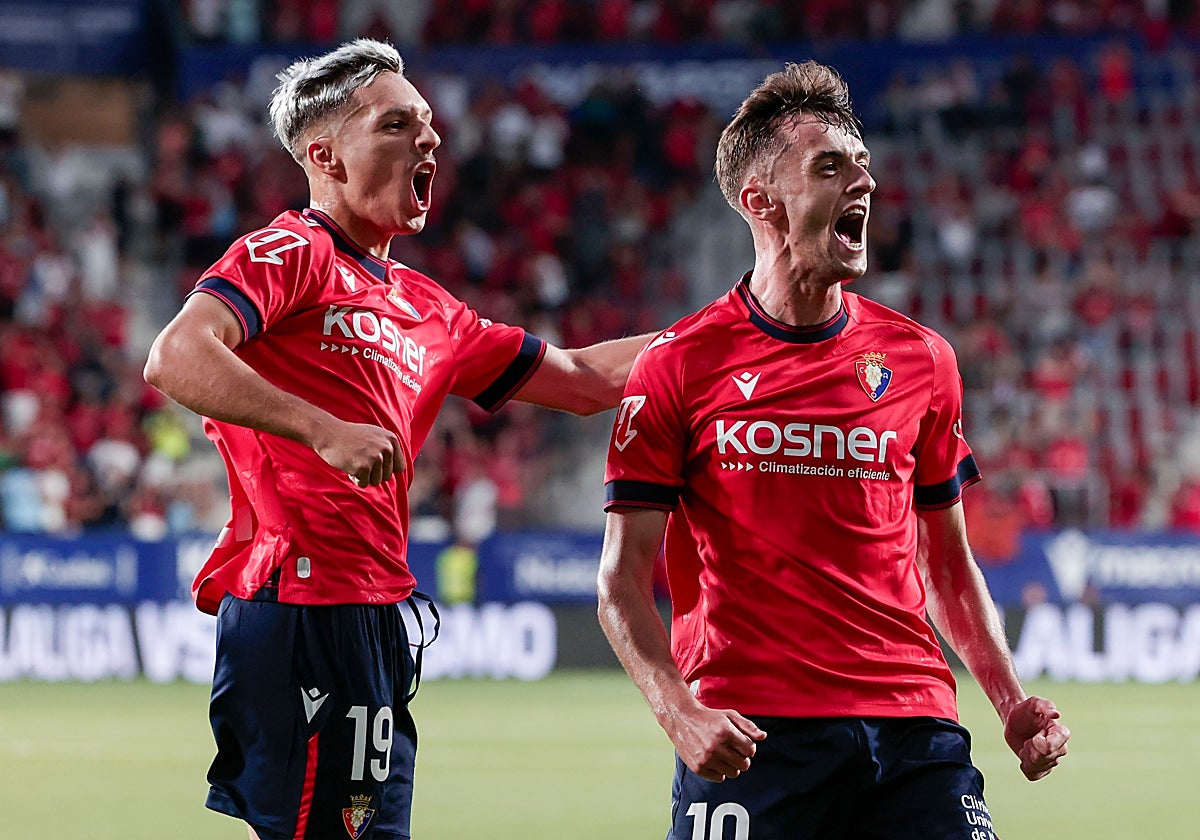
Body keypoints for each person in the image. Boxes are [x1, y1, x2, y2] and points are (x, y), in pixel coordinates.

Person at [143, 39, 647, 840]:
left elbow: (583, 379)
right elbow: (176, 354)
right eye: (396, 124)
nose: (430, 140)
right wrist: (322, 429)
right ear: (326, 156)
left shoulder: (428, 304)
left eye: (430, 126)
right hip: (303, 604)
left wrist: (723, 337)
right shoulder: (293, 252)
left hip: (374, 614)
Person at [597, 61, 1070, 840]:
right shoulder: (679, 363)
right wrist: (678, 712)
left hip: (915, 726)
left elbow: (947, 564)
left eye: (865, 168)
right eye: (831, 167)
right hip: (756, 733)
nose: (864, 184)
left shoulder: (922, 359)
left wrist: (1011, 700)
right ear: (760, 200)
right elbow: (619, 582)